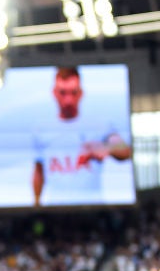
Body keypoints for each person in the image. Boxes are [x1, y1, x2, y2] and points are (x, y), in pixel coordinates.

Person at [31, 66, 132, 206]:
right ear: (54, 93)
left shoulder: (101, 125)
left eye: (73, 93)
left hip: (93, 210)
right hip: (56, 209)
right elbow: (38, 171)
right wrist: (36, 205)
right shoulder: (41, 129)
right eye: (63, 93)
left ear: (81, 93)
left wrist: (106, 147)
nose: (68, 100)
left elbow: (126, 151)